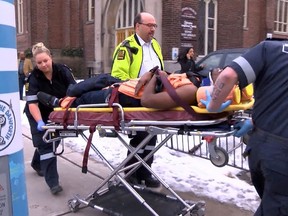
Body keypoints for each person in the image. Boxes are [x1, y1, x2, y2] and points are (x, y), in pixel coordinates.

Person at [200, 38, 288, 215]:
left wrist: (213, 106)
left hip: (260, 149)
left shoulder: (270, 49)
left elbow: (227, 75)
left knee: (272, 202)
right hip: (282, 157)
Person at [109, 12, 165, 188]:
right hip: (135, 99)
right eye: (149, 25)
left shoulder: (155, 45)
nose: (153, 29)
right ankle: (131, 173)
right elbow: (118, 76)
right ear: (137, 26)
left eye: (154, 26)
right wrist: (139, 87)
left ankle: (145, 173)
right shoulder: (126, 48)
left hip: (153, 99)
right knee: (139, 138)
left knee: (151, 138)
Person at [25, 42, 76, 195]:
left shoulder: (63, 71)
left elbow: (75, 91)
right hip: (37, 113)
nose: (43, 64)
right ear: (36, 63)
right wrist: (40, 122)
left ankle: (37, 163)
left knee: (52, 141)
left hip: (57, 110)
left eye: (45, 60)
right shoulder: (34, 77)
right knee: (46, 145)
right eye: (39, 62)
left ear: (51, 58)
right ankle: (53, 183)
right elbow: (32, 103)